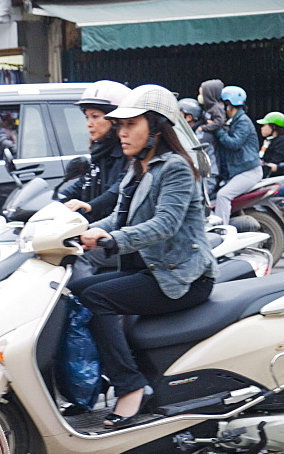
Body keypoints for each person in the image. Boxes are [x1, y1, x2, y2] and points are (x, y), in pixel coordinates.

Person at [70, 84, 217, 430]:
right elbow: (118, 217)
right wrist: (75, 229)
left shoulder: (176, 168)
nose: (121, 132)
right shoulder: (138, 168)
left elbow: (164, 225)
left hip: (180, 276)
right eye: (119, 125)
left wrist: (109, 240)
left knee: (95, 297)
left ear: (156, 127)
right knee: (76, 291)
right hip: (152, 269)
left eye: (130, 125)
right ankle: (99, 383)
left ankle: (131, 386)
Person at [61, 80, 132, 221]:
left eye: (95, 116)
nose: (89, 124)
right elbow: (85, 181)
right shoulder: (100, 151)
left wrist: (90, 206)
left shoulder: (128, 152)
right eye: (87, 117)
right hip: (96, 224)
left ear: (115, 119)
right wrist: (58, 199)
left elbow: (121, 186)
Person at [212, 85, 262, 225]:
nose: (222, 107)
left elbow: (234, 143)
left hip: (249, 172)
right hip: (240, 172)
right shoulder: (234, 122)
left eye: (223, 103)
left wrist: (217, 129)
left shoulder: (243, 122)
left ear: (229, 104)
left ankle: (222, 231)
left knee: (223, 195)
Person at [178, 98, 220, 197]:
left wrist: (203, 191)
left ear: (188, 117)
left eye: (179, 114)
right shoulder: (188, 133)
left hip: (206, 184)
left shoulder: (200, 137)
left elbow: (209, 171)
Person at [256, 111, 284, 178]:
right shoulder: (268, 141)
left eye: (264, 125)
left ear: (273, 127)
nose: (261, 128)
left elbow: (274, 162)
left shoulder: (281, 141)